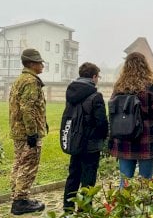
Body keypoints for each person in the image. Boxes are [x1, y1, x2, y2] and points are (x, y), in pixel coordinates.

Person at [109, 52, 153, 188]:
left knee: (124, 181)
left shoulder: (119, 87)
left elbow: (112, 113)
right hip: (147, 139)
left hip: (123, 139)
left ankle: (122, 208)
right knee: (146, 182)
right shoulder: (151, 86)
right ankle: (144, 208)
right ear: (145, 66)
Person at [63, 62, 109, 212]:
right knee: (88, 178)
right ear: (94, 76)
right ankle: (84, 209)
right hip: (90, 144)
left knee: (73, 174)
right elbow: (102, 122)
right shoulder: (96, 96)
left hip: (75, 140)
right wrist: (101, 139)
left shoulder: (71, 93)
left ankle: (68, 207)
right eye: (98, 76)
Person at [9, 48, 48, 215]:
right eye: (40, 63)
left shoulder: (20, 79)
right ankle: (20, 201)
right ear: (32, 64)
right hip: (27, 133)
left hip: (18, 131)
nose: (42, 66)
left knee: (19, 164)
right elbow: (27, 108)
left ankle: (19, 197)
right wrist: (32, 133)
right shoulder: (31, 81)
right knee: (28, 166)